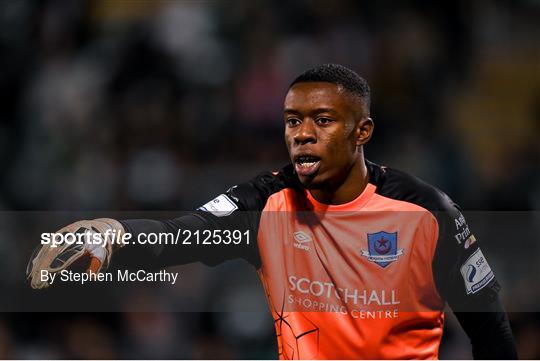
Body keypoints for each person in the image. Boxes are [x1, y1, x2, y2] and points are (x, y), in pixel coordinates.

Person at [28, 64, 517, 359]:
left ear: (362, 131)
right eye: (292, 121)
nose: (301, 133)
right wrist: (107, 235)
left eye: (322, 121)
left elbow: (490, 330)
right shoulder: (263, 205)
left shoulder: (426, 212)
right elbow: (178, 237)